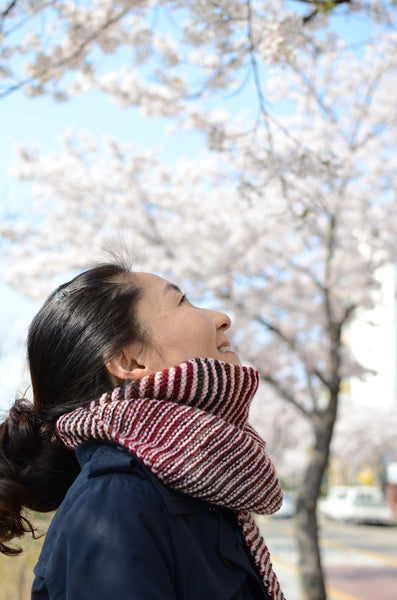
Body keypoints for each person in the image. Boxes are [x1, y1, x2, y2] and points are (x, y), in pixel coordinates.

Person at [0, 262, 285, 599]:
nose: (222, 316)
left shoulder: (194, 481)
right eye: (182, 302)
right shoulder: (116, 503)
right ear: (131, 361)